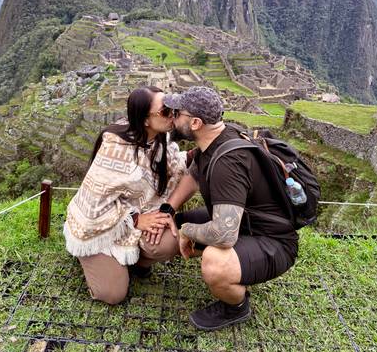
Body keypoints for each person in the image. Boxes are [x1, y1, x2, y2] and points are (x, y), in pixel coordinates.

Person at [163, 86, 299, 331]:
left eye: (177, 113)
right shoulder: (220, 137)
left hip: (273, 240)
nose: (172, 118)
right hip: (246, 220)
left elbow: (224, 235)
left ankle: (235, 307)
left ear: (194, 123)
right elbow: (194, 176)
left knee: (214, 261)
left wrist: (188, 232)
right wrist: (169, 210)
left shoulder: (228, 163)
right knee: (177, 221)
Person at [63, 86, 185, 305]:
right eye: (165, 111)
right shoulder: (115, 148)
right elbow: (93, 207)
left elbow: (175, 166)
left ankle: (137, 262)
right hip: (98, 228)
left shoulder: (159, 139)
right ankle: (88, 256)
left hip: (135, 217)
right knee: (112, 294)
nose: (172, 116)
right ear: (145, 119)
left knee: (170, 240)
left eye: (173, 109)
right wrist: (135, 219)